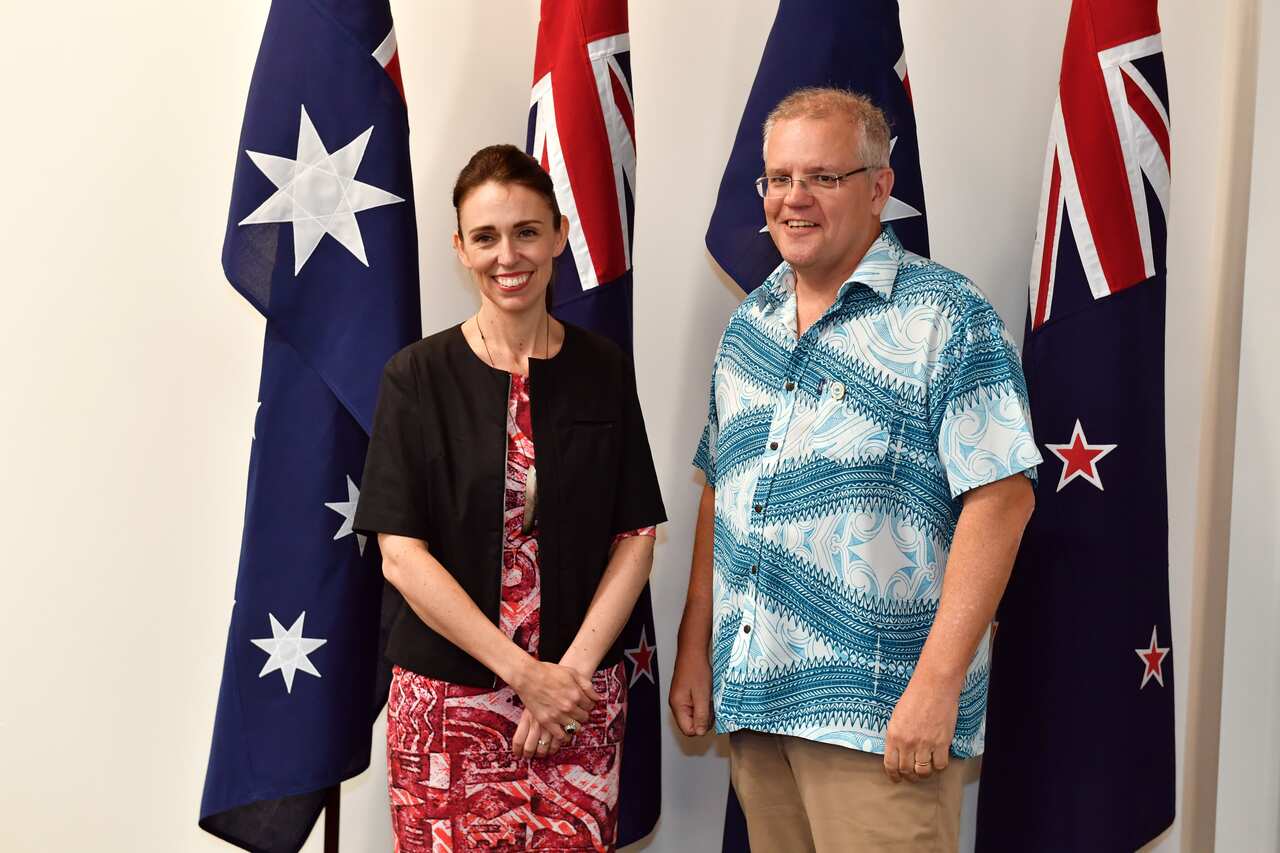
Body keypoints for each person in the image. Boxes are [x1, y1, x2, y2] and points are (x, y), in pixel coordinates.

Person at [669, 88, 1042, 852]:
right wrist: (693, 646)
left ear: (879, 187)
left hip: (882, 720)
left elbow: (1002, 500)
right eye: (776, 178)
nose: (792, 199)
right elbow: (723, 491)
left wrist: (937, 684)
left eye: (822, 178)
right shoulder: (749, 326)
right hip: (759, 701)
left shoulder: (946, 316)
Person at [354, 144, 666, 852]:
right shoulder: (416, 377)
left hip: (576, 702)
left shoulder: (604, 370)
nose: (508, 255)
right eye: (486, 237)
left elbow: (636, 535)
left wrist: (568, 680)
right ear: (460, 248)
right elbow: (401, 558)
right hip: (449, 711)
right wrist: (524, 674)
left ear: (559, 234)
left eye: (527, 231)